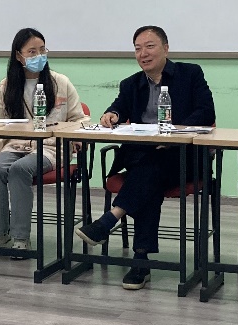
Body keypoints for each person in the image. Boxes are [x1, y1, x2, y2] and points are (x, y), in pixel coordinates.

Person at [74, 26, 215, 290]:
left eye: (150, 46)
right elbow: (118, 106)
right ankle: (137, 256)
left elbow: (206, 113)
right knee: (149, 173)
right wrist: (111, 115)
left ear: (166, 48)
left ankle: (117, 229)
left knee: (148, 173)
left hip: (183, 157)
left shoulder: (190, 74)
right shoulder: (131, 84)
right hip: (144, 157)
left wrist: (173, 134)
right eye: (138, 49)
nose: (143, 54)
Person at [0, 28, 88, 256]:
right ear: (18, 56)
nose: (38, 55)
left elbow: (79, 118)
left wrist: (77, 138)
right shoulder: (6, 86)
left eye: (42, 50)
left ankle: (21, 238)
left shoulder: (60, 82)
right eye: (32, 51)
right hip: (15, 145)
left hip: (51, 148)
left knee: (20, 170)